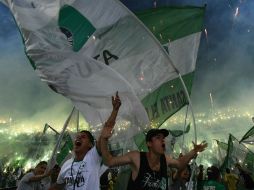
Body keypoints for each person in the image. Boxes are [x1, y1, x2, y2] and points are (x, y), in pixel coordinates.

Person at [100, 94, 208, 190]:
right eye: (158, 137)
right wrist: (104, 139)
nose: (163, 139)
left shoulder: (164, 160)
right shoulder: (137, 158)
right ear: (149, 144)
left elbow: (180, 164)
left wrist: (194, 151)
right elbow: (109, 161)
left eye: (163, 137)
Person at [49, 92, 121, 190]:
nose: (78, 138)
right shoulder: (66, 165)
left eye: (83, 137)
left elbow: (106, 129)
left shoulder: (93, 156)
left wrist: (115, 110)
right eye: (77, 136)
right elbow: (59, 186)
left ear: (90, 145)